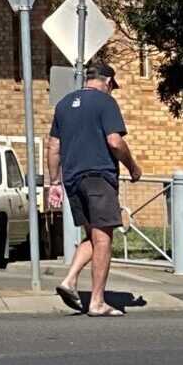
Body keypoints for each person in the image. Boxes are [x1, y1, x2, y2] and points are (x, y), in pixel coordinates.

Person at [47, 61, 142, 316]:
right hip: (99, 177)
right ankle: (97, 302)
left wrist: (54, 183)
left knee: (93, 237)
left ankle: (70, 280)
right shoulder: (106, 102)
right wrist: (133, 167)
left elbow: (54, 147)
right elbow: (115, 141)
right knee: (104, 239)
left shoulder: (64, 104)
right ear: (108, 82)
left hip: (73, 180)